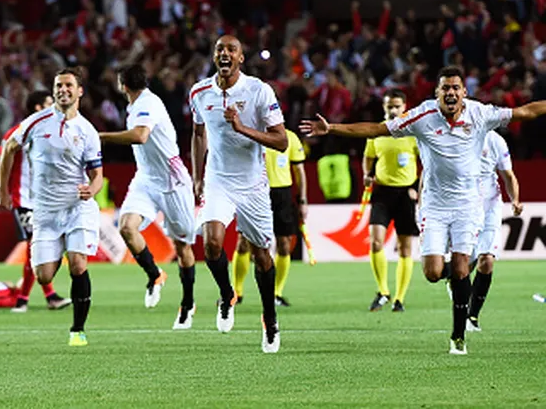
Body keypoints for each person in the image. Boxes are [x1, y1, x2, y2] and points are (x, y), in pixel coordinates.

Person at [301, 65, 546, 355]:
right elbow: (378, 129)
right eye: (446, 88)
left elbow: (525, 112)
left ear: (464, 92)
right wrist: (332, 128)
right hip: (434, 205)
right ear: (437, 92)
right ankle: (454, 281)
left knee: (460, 265)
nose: (451, 93)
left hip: (469, 204)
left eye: (456, 87)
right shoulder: (423, 116)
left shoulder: (480, 113)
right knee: (433, 272)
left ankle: (458, 336)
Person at [188, 35, 287, 353]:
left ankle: (269, 319)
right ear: (214, 56)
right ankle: (227, 294)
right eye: (220, 49)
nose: (225, 53)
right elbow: (198, 133)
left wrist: (242, 127)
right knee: (212, 243)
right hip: (218, 180)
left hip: (252, 185)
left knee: (261, 255)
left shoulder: (259, 90)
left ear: (241, 58)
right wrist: (197, 175)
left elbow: (281, 141)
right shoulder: (200, 92)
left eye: (231, 49)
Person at [0, 68, 103, 347]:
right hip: (44, 211)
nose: (63, 90)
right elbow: (9, 148)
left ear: (80, 91)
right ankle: (56, 255)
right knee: (43, 274)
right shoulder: (35, 122)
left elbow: (98, 175)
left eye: (69, 85)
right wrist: (2, 189)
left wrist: (91, 190)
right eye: (58, 85)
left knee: (78, 264)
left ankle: (78, 330)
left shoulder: (87, 131)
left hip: (77, 207)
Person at [99, 64, 197, 329]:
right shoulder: (135, 105)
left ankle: (187, 303)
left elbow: (141, 136)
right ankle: (155, 275)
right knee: (126, 228)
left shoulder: (148, 103)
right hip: (146, 178)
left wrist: (103, 137)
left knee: (182, 246)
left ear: (123, 85)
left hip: (172, 180)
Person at [0, 90, 71, 312]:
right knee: (35, 245)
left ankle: (47, 296)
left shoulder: (54, 132)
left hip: (47, 201)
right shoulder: (20, 132)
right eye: (50, 102)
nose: (55, 104)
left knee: (48, 246)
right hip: (24, 200)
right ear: (39, 108)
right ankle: (24, 299)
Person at [233, 128, 307, 308]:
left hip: (282, 194)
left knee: (283, 244)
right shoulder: (251, 134)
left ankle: (277, 293)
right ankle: (237, 292)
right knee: (243, 241)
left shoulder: (290, 137)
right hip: (255, 191)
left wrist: (303, 200)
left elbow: (300, 171)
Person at [361, 89, 420, 313]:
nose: (393, 110)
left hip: (405, 193)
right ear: (384, 107)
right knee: (375, 241)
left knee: (405, 248)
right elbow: (368, 158)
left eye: (396, 105)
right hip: (382, 192)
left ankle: (399, 299)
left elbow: (426, 162)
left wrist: (416, 189)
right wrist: (368, 174)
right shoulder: (377, 132)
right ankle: (383, 291)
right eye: (389, 106)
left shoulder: (413, 133)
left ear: (404, 106)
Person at [468, 130, 523, 331]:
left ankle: (472, 316)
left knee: (487, 260)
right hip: (462, 205)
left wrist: (515, 199)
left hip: (490, 205)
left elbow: (508, 174)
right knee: (462, 264)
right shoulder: (456, 134)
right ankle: (454, 281)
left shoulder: (496, 140)